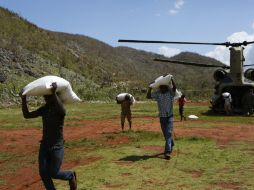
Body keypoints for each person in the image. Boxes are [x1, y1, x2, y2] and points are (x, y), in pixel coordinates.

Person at [20, 82, 77, 190]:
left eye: (48, 96)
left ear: (55, 96)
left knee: (54, 173)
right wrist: (23, 99)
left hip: (57, 146)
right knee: (43, 173)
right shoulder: (44, 109)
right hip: (45, 145)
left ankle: (70, 175)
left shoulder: (60, 110)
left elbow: (62, 110)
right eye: (45, 96)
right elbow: (27, 115)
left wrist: (53, 92)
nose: (45, 97)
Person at [147, 77, 176, 160]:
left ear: (167, 87)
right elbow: (148, 96)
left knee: (169, 133)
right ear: (160, 87)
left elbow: (174, 88)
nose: (162, 88)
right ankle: (171, 143)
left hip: (170, 117)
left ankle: (167, 152)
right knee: (166, 134)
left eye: (164, 87)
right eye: (161, 87)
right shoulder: (158, 94)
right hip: (162, 117)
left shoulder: (170, 94)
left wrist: (172, 79)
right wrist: (150, 88)